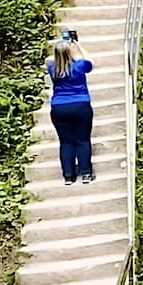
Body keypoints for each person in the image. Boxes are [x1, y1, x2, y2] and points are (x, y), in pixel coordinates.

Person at [47, 33, 95, 185]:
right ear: (69, 52)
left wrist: (61, 46)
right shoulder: (80, 66)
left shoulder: (52, 68)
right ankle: (86, 173)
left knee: (66, 142)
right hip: (80, 105)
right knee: (82, 140)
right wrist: (78, 45)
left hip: (59, 108)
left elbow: (53, 59)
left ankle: (68, 176)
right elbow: (91, 61)